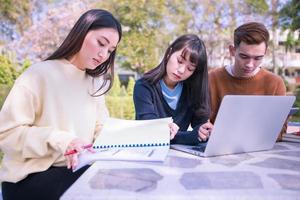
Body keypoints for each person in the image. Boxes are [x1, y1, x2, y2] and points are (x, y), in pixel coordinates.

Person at [0, 9, 122, 200]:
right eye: (101, 43)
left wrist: (151, 132)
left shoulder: (95, 84)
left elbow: (101, 129)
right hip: (28, 177)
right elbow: (7, 133)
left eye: (110, 50)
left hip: (74, 170)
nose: (103, 54)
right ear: (82, 32)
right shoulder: (37, 75)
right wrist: (63, 141)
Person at [209, 22, 286, 140]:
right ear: (232, 51)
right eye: (244, 56)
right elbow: (202, 124)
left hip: (260, 151)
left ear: (265, 53)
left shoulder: (275, 83)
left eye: (258, 58)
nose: (250, 65)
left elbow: (280, 132)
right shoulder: (212, 78)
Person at [133, 34, 213, 145]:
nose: (181, 70)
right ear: (169, 53)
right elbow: (151, 130)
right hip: (147, 154)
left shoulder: (192, 90)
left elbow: (200, 127)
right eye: (180, 61)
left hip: (179, 157)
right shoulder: (144, 86)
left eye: (190, 69)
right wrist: (190, 137)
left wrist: (204, 132)